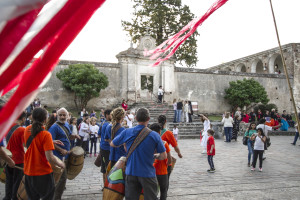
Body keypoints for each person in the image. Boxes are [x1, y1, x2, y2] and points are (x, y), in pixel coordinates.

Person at [111, 108, 167, 200]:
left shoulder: (127, 132)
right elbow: (163, 156)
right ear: (148, 118)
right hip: (147, 174)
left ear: (136, 118)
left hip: (131, 172)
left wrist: (125, 144)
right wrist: (156, 156)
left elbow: (113, 143)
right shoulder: (154, 135)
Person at [24, 107, 65, 199]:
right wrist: (61, 164)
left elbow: (31, 143)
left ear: (32, 118)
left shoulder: (27, 130)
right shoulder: (46, 135)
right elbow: (50, 157)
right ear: (45, 119)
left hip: (28, 171)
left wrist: (51, 141)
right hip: (42, 173)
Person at [48, 107, 80, 200]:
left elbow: (68, 136)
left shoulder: (66, 124)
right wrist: (60, 149)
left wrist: (74, 136)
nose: (62, 117)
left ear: (67, 116)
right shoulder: (54, 127)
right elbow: (49, 142)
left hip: (65, 156)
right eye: (60, 115)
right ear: (57, 116)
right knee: (61, 180)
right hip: (57, 158)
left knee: (62, 180)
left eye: (64, 115)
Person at [4, 111, 26, 200]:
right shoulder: (22, 130)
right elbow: (25, 146)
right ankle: (14, 198)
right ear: (23, 119)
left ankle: (7, 197)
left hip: (8, 158)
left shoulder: (7, 127)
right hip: (19, 159)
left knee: (9, 181)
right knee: (17, 182)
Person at [150, 123, 172, 200]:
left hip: (151, 171)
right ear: (159, 132)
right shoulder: (164, 143)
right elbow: (169, 159)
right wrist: (167, 164)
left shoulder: (148, 143)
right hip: (162, 171)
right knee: (163, 190)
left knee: (152, 192)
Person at [98, 109, 112, 186]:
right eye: (111, 114)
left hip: (103, 147)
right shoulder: (109, 124)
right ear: (107, 115)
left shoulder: (102, 123)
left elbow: (99, 135)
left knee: (104, 168)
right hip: (107, 148)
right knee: (108, 168)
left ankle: (105, 186)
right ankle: (107, 186)